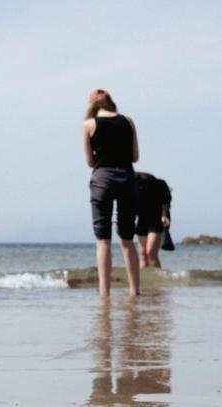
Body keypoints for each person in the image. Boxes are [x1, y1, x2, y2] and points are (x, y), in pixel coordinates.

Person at [82, 89, 140, 297]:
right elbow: (135, 157)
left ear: (92, 105)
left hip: (102, 179)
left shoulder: (88, 125)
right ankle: (135, 292)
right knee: (127, 239)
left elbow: (90, 162)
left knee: (103, 240)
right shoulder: (129, 122)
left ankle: (105, 294)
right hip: (126, 177)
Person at [135, 172, 172, 269]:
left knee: (150, 252)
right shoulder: (129, 185)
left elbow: (166, 199)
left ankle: (158, 279)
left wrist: (164, 215)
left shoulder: (151, 182)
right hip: (142, 220)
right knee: (143, 254)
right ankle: (143, 280)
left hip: (155, 219)